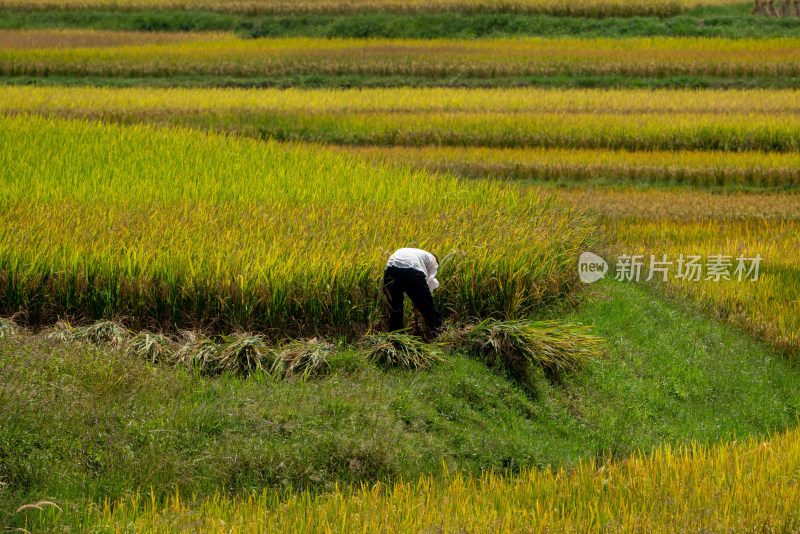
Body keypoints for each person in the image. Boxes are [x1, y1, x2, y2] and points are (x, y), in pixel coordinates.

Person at [383, 247, 443, 336]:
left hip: (390, 271)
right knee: (428, 307)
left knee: (395, 309)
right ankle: (440, 333)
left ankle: (396, 338)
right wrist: (419, 305)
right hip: (411, 269)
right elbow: (429, 285)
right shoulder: (433, 261)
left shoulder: (417, 253)